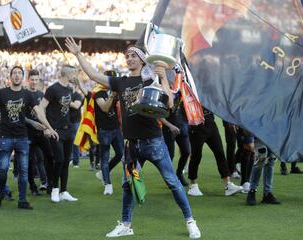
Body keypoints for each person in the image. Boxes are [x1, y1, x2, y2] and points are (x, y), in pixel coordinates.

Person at [65, 37, 201, 239]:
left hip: (153, 142)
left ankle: (191, 222)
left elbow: (170, 103)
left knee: (172, 182)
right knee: (128, 184)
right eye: (126, 56)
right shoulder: (121, 82)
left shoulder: (151, 79)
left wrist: (163, 78)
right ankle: (126, 225)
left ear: (142, 59)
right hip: (132, 146)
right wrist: (78, 54)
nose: (128, 59)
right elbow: (93, 74)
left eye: (133, 56)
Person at [0, 66, 58, 210]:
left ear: (22, 77)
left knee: (23, 171)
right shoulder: (2, 93)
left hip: (22, 138)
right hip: (5, 137)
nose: (17, 75)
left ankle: (22, 200)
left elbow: (40, 114)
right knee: (2, 171)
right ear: (10, 76)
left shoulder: (28, 94)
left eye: (19, 73)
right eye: (14, 73)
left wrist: (49, 128)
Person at [76, 70, 124, 195]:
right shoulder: (98, 92)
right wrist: (113, 95)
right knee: (104, 158)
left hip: (116, 128)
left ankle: (103, 173)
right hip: (104, 131)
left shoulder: (113, 91)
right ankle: (107, 184)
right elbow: (104, 108)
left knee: (120, 154)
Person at [39, 65, 79, 203]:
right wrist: (47, 127)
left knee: (66, 161)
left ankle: (64, 190)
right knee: (59, 159)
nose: (75, 76)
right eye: (74, 74)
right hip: (55, 130)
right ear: (68, 74)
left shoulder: (69, 89)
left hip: (67, 129)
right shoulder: (52, 89)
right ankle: (55, 189)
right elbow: (41, 108)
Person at [187, 107, 242, 197]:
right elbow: (185, 107)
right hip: (196, 127)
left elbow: (218, 105)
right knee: (196, 156)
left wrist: (229, 120)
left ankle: (228, 185)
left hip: (211, 125)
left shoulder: (209, 93)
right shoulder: (190, 93)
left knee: (220, 153)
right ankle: (192, 185)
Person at [25, 69, 54, 195]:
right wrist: (32, 122)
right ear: (28, 80)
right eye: (32, 80)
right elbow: (20, 115)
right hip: (28, 133)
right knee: (30, 161)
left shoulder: (42, 95)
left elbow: (45, 113)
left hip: (41, 133)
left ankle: (50, 184)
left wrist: (47, 127)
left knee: (50, 157)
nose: (34, 82)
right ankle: (32, 187)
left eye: (36, 80)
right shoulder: (24, 95)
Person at [161, 89, 190, 187]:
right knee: (170, 155)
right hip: (169, 129)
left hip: (181, 127)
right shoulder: (163, 95)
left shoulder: (180, 92)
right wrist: (170, 126)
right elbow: (159, 116)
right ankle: (169, 178)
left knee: (186, 151)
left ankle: (179, 174)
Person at [246, 138, 280, 206]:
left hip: (273, 133)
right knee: (260, 157)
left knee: (271, 159)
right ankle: (252, 191)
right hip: (259, 132)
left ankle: (267, 193)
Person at [69, 84, 83, 168]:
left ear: (75, 86)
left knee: (75, 142)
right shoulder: (67, 94)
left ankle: (76, 162)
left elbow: (76, 105)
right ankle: (71, 159)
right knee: (68, 142)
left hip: (75, 122)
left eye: (71, 84)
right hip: (66, 121)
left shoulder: (77, 95)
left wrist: (63, 100)